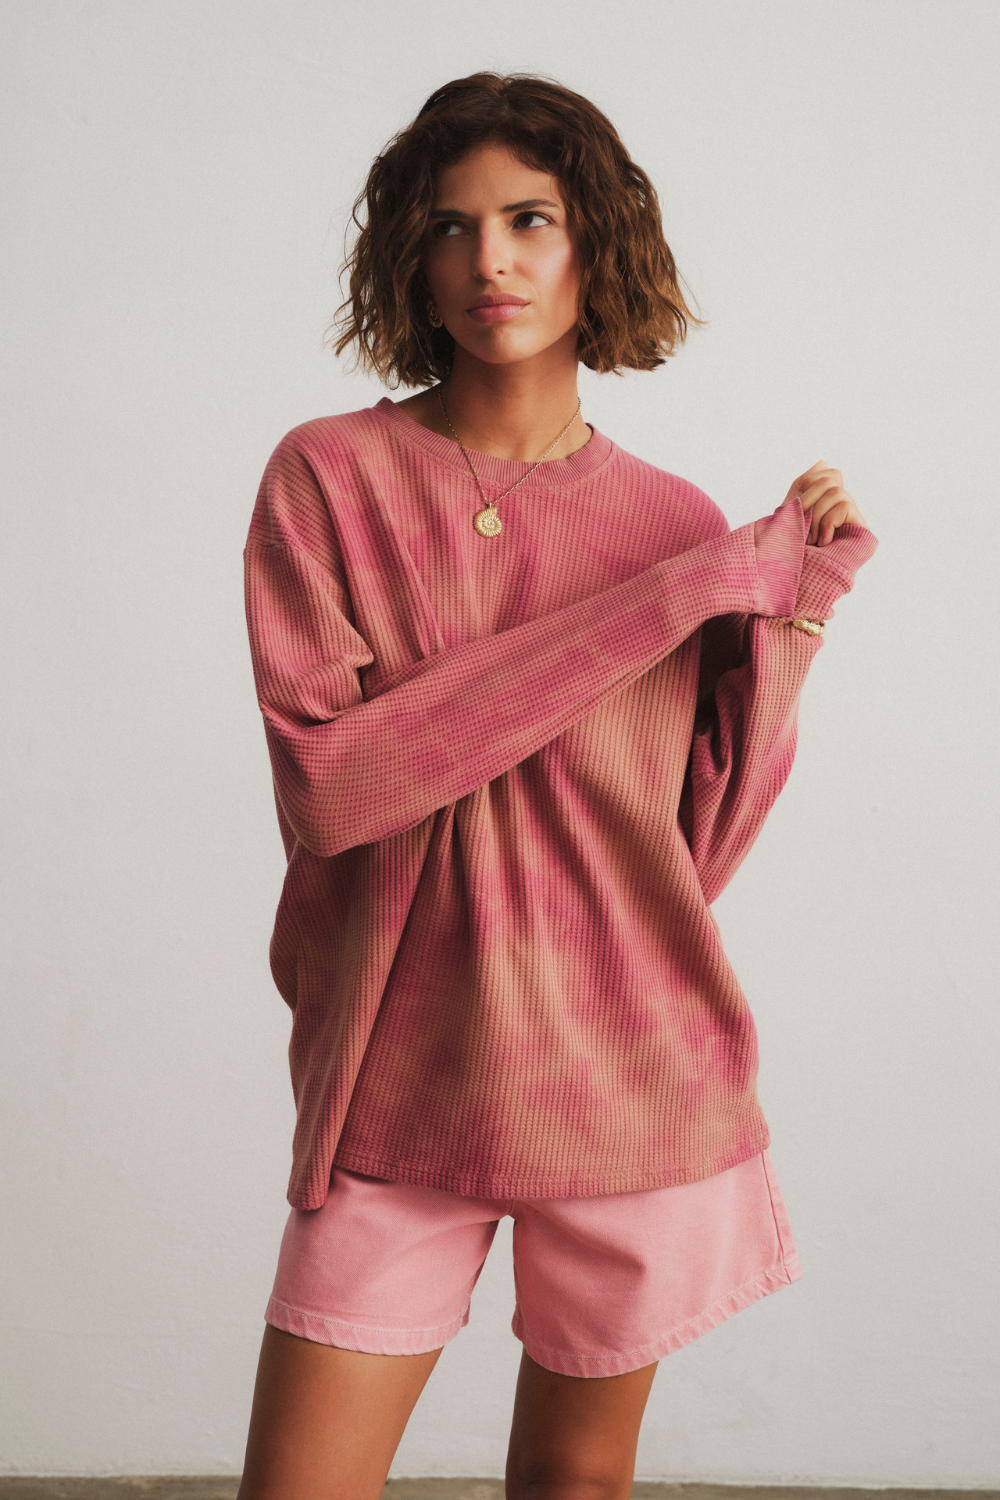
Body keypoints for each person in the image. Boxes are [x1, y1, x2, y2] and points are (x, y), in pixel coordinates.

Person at [236, 71, 878, 1500]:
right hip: (398, 1081)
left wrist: (792, 629)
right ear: (412, 257)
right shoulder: (328, 479)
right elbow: (334, 789)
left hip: (628, 1077)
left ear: (597, 241)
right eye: (451, 226)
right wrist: (671, 602)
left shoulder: (672, 523)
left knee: (576, 1487)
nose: (492, 260)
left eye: (531, 219)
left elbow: (686, 854)